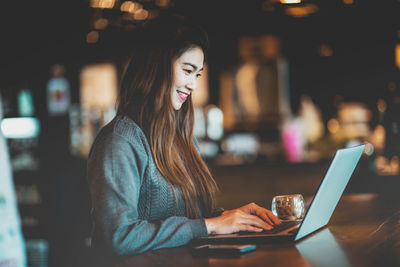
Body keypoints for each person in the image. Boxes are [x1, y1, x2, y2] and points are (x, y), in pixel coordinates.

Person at [87, 14, 281, 260]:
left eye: (197, 74)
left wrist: (229, 218)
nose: (193, 85)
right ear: (155, 67)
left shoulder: (182, 138)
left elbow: (190, 220)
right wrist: (209, 225)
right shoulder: (118, 141)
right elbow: (120, 237)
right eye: (188, 70)